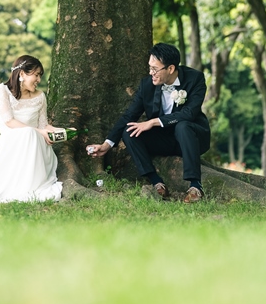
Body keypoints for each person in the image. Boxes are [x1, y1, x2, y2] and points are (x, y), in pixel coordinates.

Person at [88, 43, 211, 203]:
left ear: (171, 69)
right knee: (129, 131)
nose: (151, 73)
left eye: (155, 69)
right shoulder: (147, 85)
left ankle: (195, 186)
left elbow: (189, 113)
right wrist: (107, 144)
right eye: (150, 68)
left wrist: (153, 122)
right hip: (164, 140)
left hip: (190, 138)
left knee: (183, 125)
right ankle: (156, 182)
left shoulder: (195, 79)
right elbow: (129, 116)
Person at [0, 55, 63, 204]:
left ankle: (34, 184)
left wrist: (62, 131)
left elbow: (43, 125)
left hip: (37, 146)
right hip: (12, 144)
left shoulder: (40, 96)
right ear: (22, 74)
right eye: (36, 75)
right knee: (28, 132)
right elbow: (9, 122)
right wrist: (38, 132)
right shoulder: (2, 90)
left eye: (40, 76)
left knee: (30, 133)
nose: (39, 80)